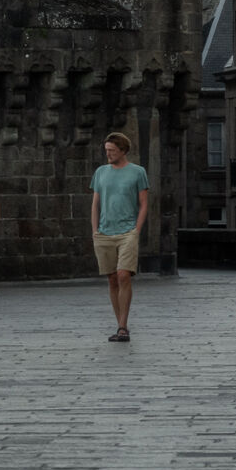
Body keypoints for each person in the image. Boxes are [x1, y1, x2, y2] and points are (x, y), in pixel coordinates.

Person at [89, 132, 149, 342]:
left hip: (127, 232)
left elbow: (144, 204)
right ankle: (120, 324)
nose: (108, 154)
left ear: (123, 151)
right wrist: (95, 230)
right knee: (112, 278)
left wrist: (136, 230)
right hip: (104, 233)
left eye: (112, 151)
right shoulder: (100, 172)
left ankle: (123, 326)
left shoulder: (138, 172)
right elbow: (95, 204)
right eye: (106, 150)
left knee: (124, 275)